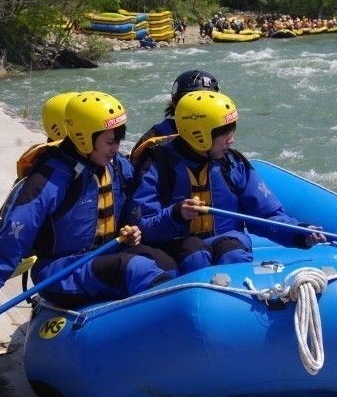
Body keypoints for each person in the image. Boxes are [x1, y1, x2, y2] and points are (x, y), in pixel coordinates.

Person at [0, 91, 178, 339]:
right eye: (110, 142)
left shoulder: (117, 166)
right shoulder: (49, 180)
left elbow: (130, 212)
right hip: (60, 270)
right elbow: (10, 243)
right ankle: (167, 334)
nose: (117, 148)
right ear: (84, 139)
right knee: (135, 269)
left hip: (107, 255)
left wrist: (132, 229)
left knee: (166, 263)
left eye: (118, 140)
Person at [128, 90, 326, 275]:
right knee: (195, 255)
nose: (231, 141)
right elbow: (142, 227)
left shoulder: (232, 163)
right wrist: (175, 215)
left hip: (226, 240)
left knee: (234, 254)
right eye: (225, 134)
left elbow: (266, 215)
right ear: (200, 134)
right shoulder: (157, 163)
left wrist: (300, 233)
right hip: (176, 246)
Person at [129, 69, 220, 162]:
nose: (201, 107)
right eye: (193, 102)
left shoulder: (221, 134)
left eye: (208, 102)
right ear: (174, 102)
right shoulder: (155, 140)